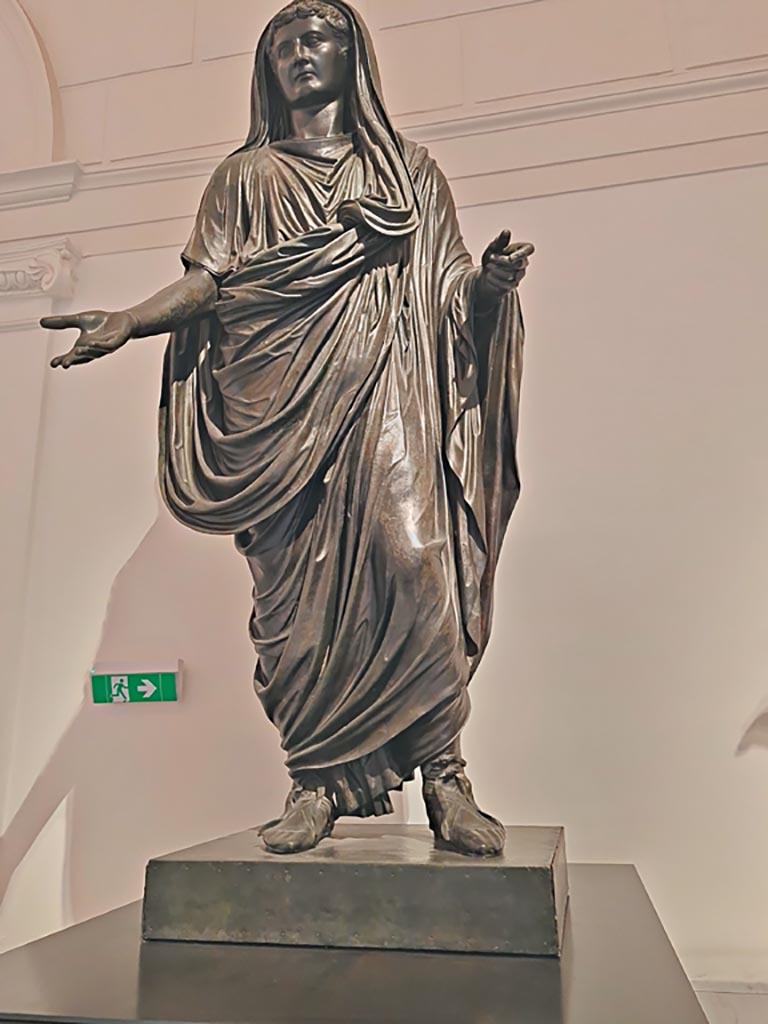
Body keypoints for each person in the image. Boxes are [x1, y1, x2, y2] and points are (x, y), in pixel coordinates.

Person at [43, 1, 534, 857]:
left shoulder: (408, 174)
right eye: (283, 46)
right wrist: (129, 320)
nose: (300, 56)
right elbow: (209, 283)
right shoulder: (246, 178)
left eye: (317, 41)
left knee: (419, 563)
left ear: (353, 57)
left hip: (386, 395)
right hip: (279, 420)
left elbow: (450, 296)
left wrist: (490, 288)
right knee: (297, 610)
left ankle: (445, 777)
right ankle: (314, 782)